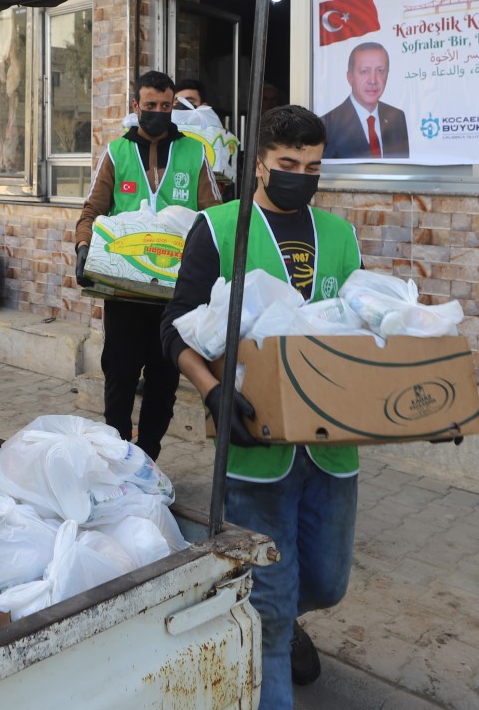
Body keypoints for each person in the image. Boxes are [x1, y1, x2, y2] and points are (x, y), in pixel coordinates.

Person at [161, 105, 361, 708]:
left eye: (314, 166)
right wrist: (214, 391)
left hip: (331, 448)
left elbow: (361, 328)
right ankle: (265, 624)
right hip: (252, 449)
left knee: (326, 582)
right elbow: (175, 329)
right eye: (289, 164)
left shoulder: (340, 236)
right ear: (260, 165)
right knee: (271, 614)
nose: (302, 175)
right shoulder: (221, 229)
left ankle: (268, 607)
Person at [75, 70, 220, 460]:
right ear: (136, 107)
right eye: (150, 106)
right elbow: (92, 209)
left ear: (174, 107)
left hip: (175, 296)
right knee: (119, 377)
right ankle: (117, 454)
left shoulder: (194, 153)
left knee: (164, 380)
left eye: (165, 106)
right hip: (123, 290)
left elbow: (214, 217)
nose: (158, 112)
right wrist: (83, 246)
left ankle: (149, 457)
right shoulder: (116, 153)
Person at [320, 42, 409, 159]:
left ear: (387, 74)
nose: (373, 80)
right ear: (350, 77)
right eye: (364, 71)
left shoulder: (397, 118)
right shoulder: (327, 125)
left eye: (380, 71)